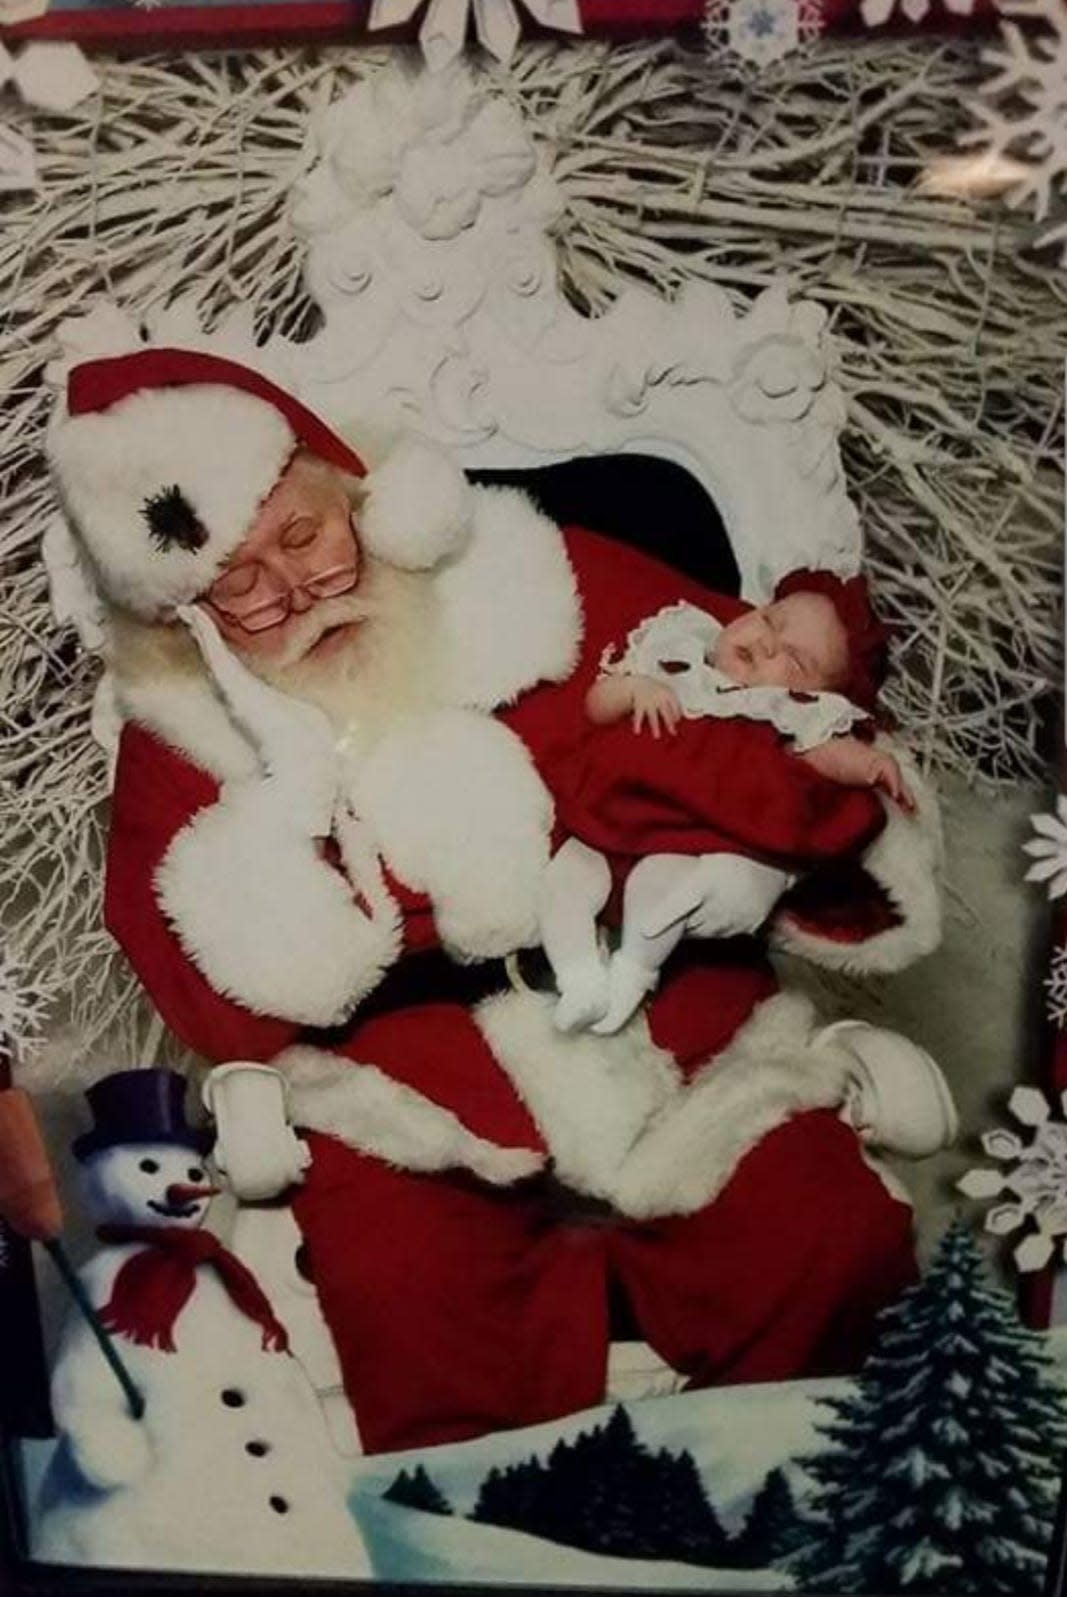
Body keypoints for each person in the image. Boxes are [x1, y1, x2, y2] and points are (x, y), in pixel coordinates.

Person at [47, 340, 951, 1456]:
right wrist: (280, 817)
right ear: (182, 609)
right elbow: (192, 959)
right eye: (236, 583)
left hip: (668, 1008)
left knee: (824, 1236)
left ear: (359, 498)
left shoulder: (540, 574)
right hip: (405, 1076)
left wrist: (769, 845)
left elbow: (776, 696)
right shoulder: (182, 732)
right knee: (408, 1289)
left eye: (303, 536)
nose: (291, 592)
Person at [540, 577, 916, 1036]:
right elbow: (597, 706)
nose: (765, 644)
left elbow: (823, 751)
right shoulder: (680, 651)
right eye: (769, 621)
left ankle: (632, 974)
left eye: (794, 660)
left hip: (682, 834)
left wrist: (870, 763)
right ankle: (578, 979)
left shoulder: (782, 709)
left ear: (818, 695)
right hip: (605, 813)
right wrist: (634, 689)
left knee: (660, 892)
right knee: (565, 881)